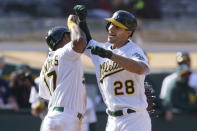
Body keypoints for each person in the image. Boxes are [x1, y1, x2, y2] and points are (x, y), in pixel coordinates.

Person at [74, 5, 151, 131]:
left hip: (134, 118)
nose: (111, 28)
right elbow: (86, 42)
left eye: (117, 26)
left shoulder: (134, 50)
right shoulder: (102, 50)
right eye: (110, 24)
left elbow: (141, 68)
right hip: (112, 120)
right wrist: (82, 21)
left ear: (128, 32)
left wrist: (111, 55)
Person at [38, 14, 87, 131]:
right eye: (70, 34)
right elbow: (80, 41)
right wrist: (72, 24)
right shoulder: (65, 53)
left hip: (50, 117)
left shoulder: (45, 66)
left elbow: (44, 96)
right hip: (67, 118)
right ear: (65, 37)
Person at [160, 52, 197, 120]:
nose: (186, 77)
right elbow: (165, 101)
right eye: (181, 62)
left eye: (186, 62)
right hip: (175, 119)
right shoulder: (170, 82)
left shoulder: (192, 84)